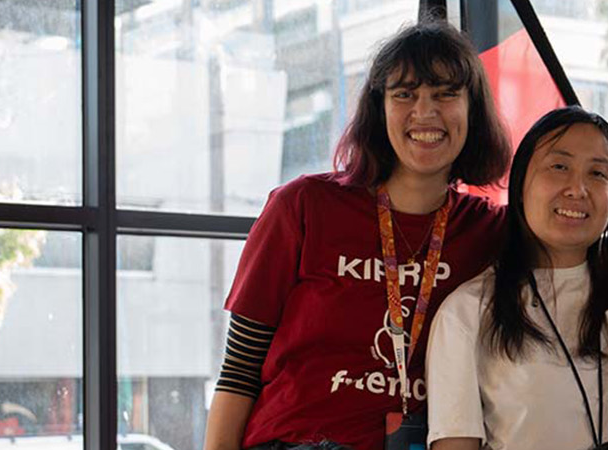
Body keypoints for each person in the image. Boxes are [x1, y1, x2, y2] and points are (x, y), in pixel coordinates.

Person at [203, 20, 511, 450]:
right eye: (404, 94)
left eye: (446, 93)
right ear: (378, 109)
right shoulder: (302, 206)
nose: (425, 112)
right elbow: (239, 370)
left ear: (472, 110)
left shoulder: (493, 231)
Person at [425, 107, 608, 450]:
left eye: (598, 173)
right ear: (521, 184)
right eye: (559, 166)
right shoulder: (468, 312)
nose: (577, 189)